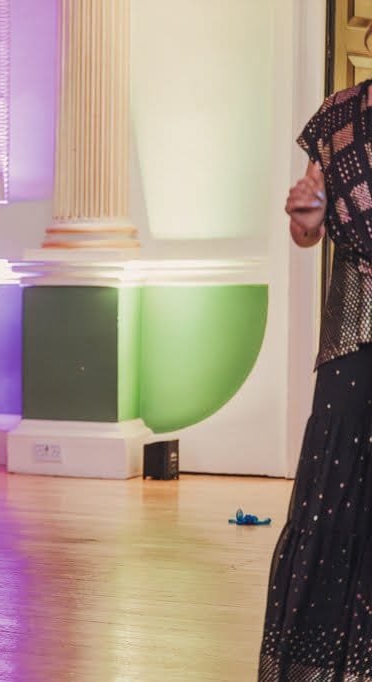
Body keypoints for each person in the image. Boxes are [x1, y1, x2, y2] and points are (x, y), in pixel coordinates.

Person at [259, 74, 372, 679]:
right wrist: (305, 217)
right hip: (353, 325)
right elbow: (308, 232)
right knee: (333, 499)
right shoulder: (338, 119)